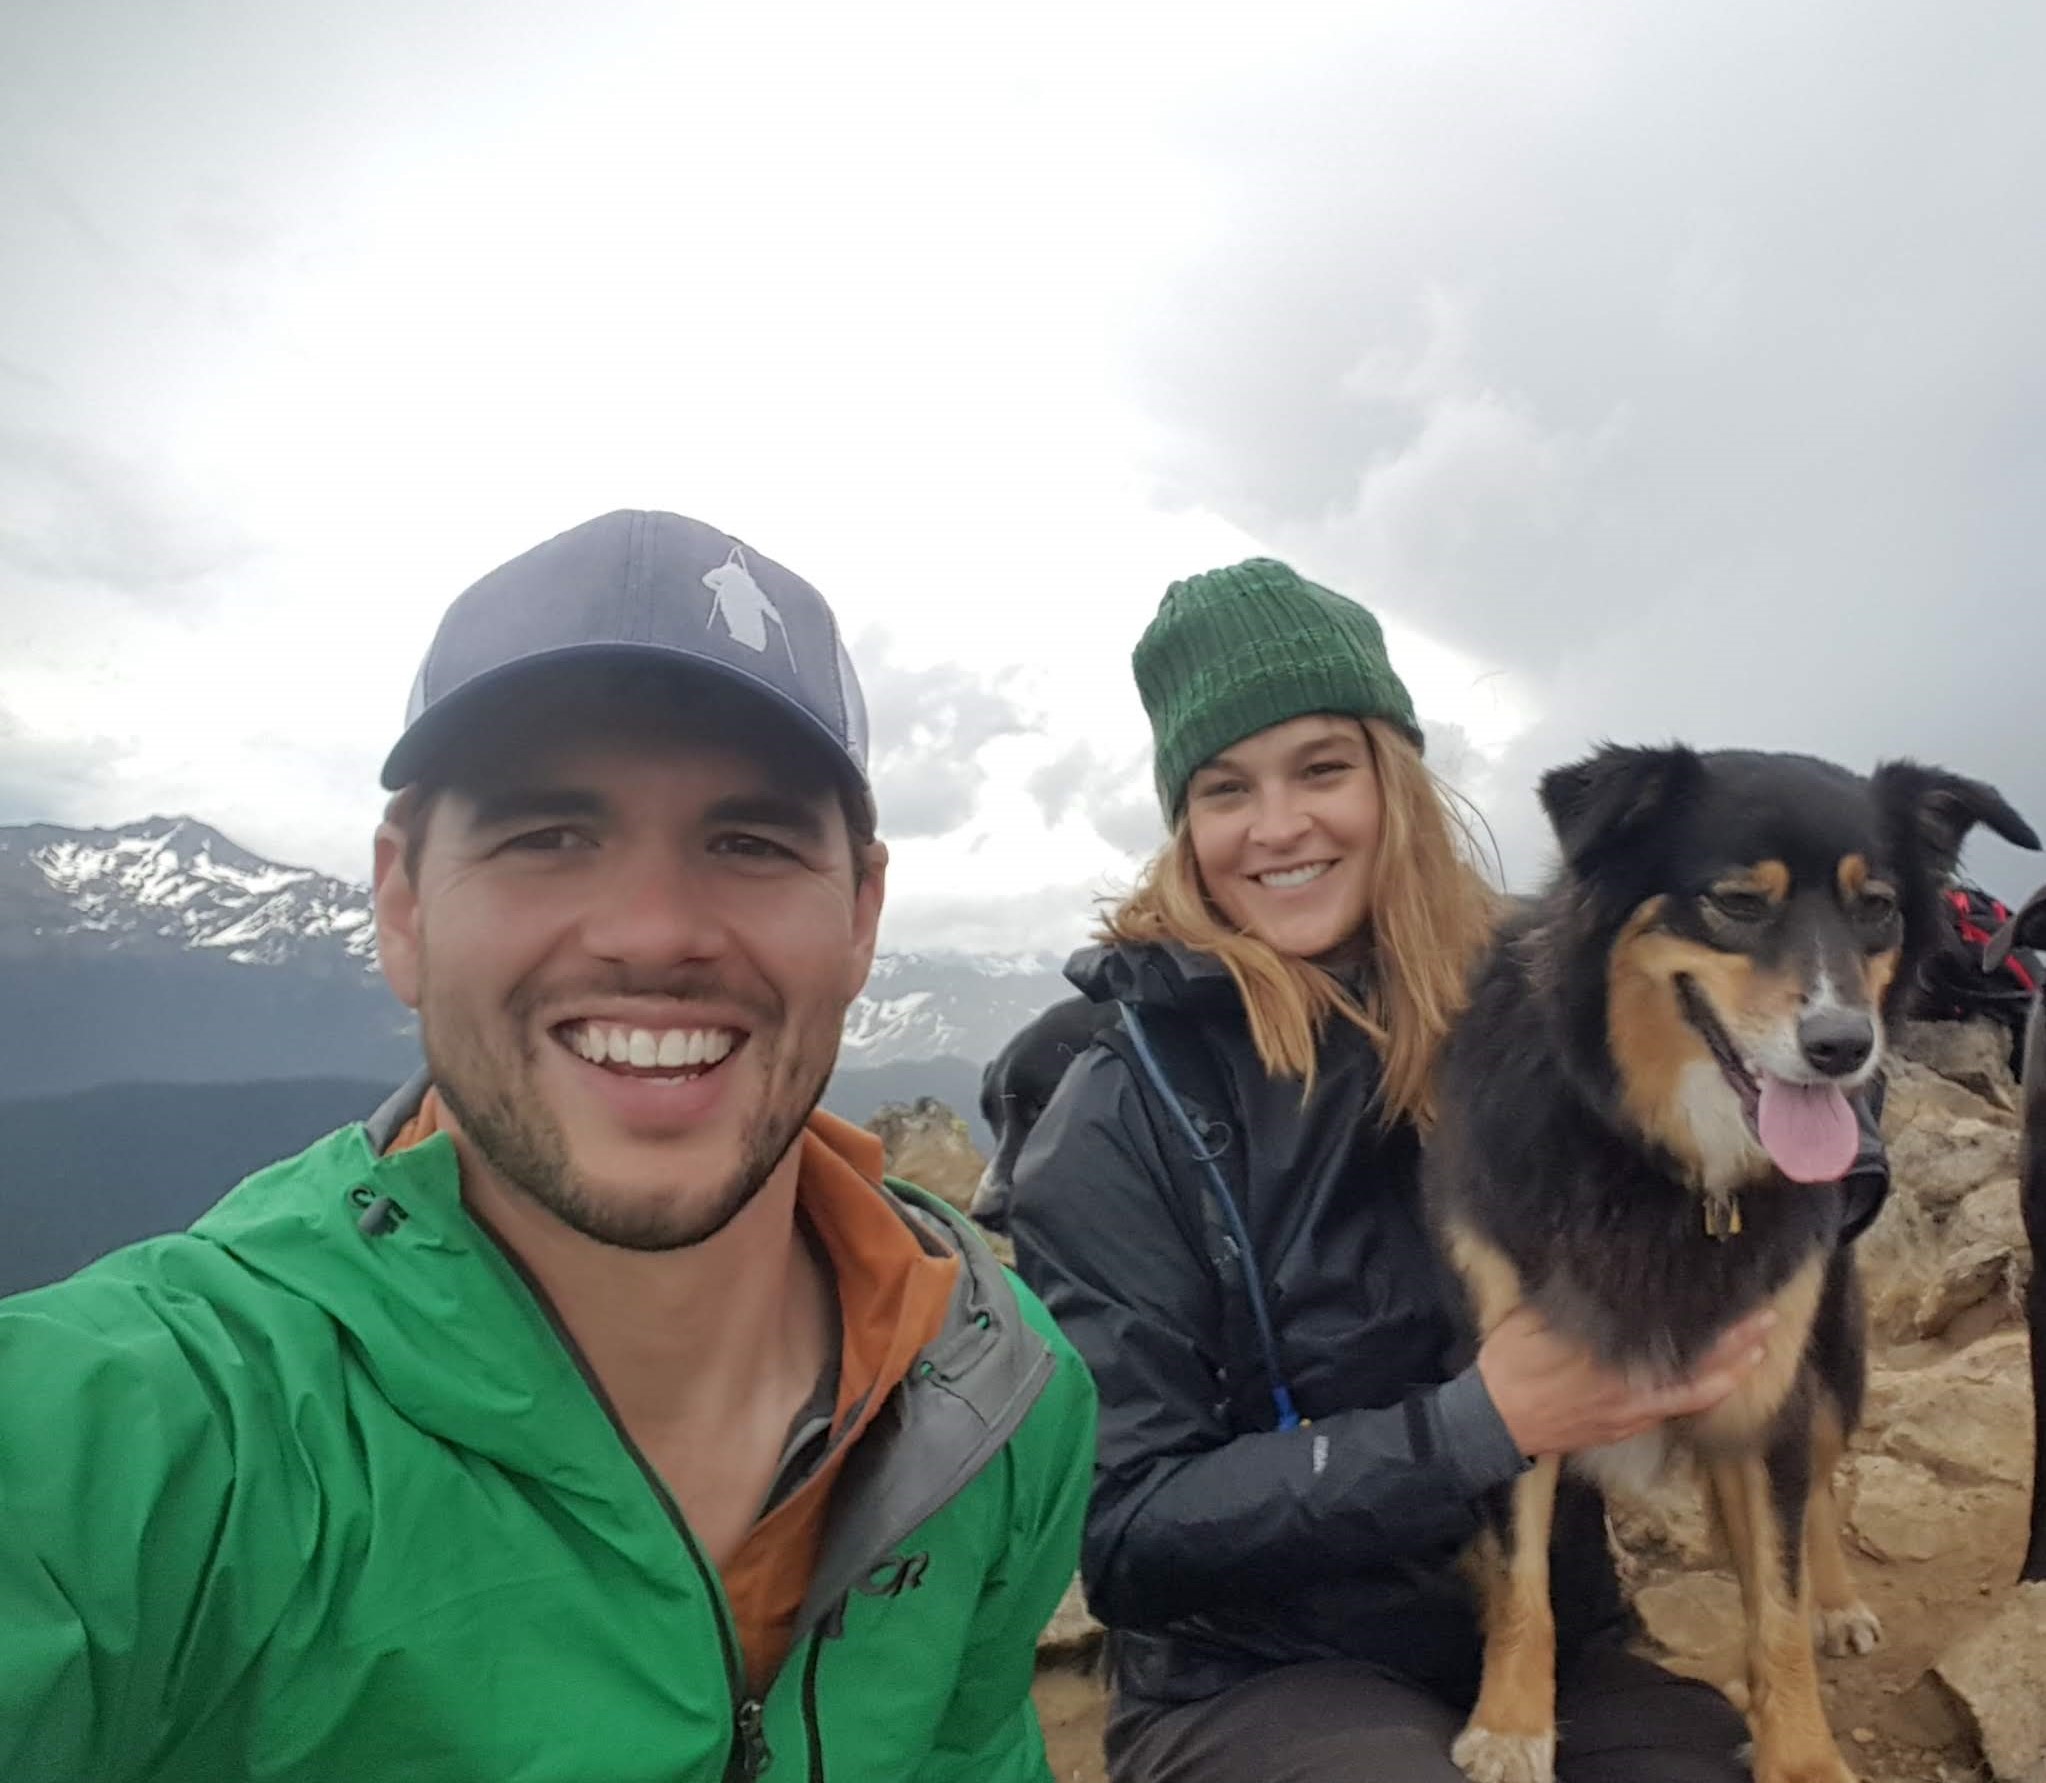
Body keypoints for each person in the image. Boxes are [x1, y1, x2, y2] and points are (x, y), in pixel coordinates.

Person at [0, 510, 1095, 1783]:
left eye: (749, 841)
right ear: (402, 903)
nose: (650, 929)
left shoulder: (999, 1397)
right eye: (546, 835)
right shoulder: (141, 1441)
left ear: (860, 914)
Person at [1008, 558, 1780, 1782]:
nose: (1279, 825)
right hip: (1255, 1668)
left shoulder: (1539, 1001)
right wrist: (1477, 1425)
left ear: (1393, 777)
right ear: (1187, 824)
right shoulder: (1121, 1104)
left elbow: (1781, 1092)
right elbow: (1129, 1529)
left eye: (1322, 766)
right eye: (1226, 788)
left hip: (1549, 1638)